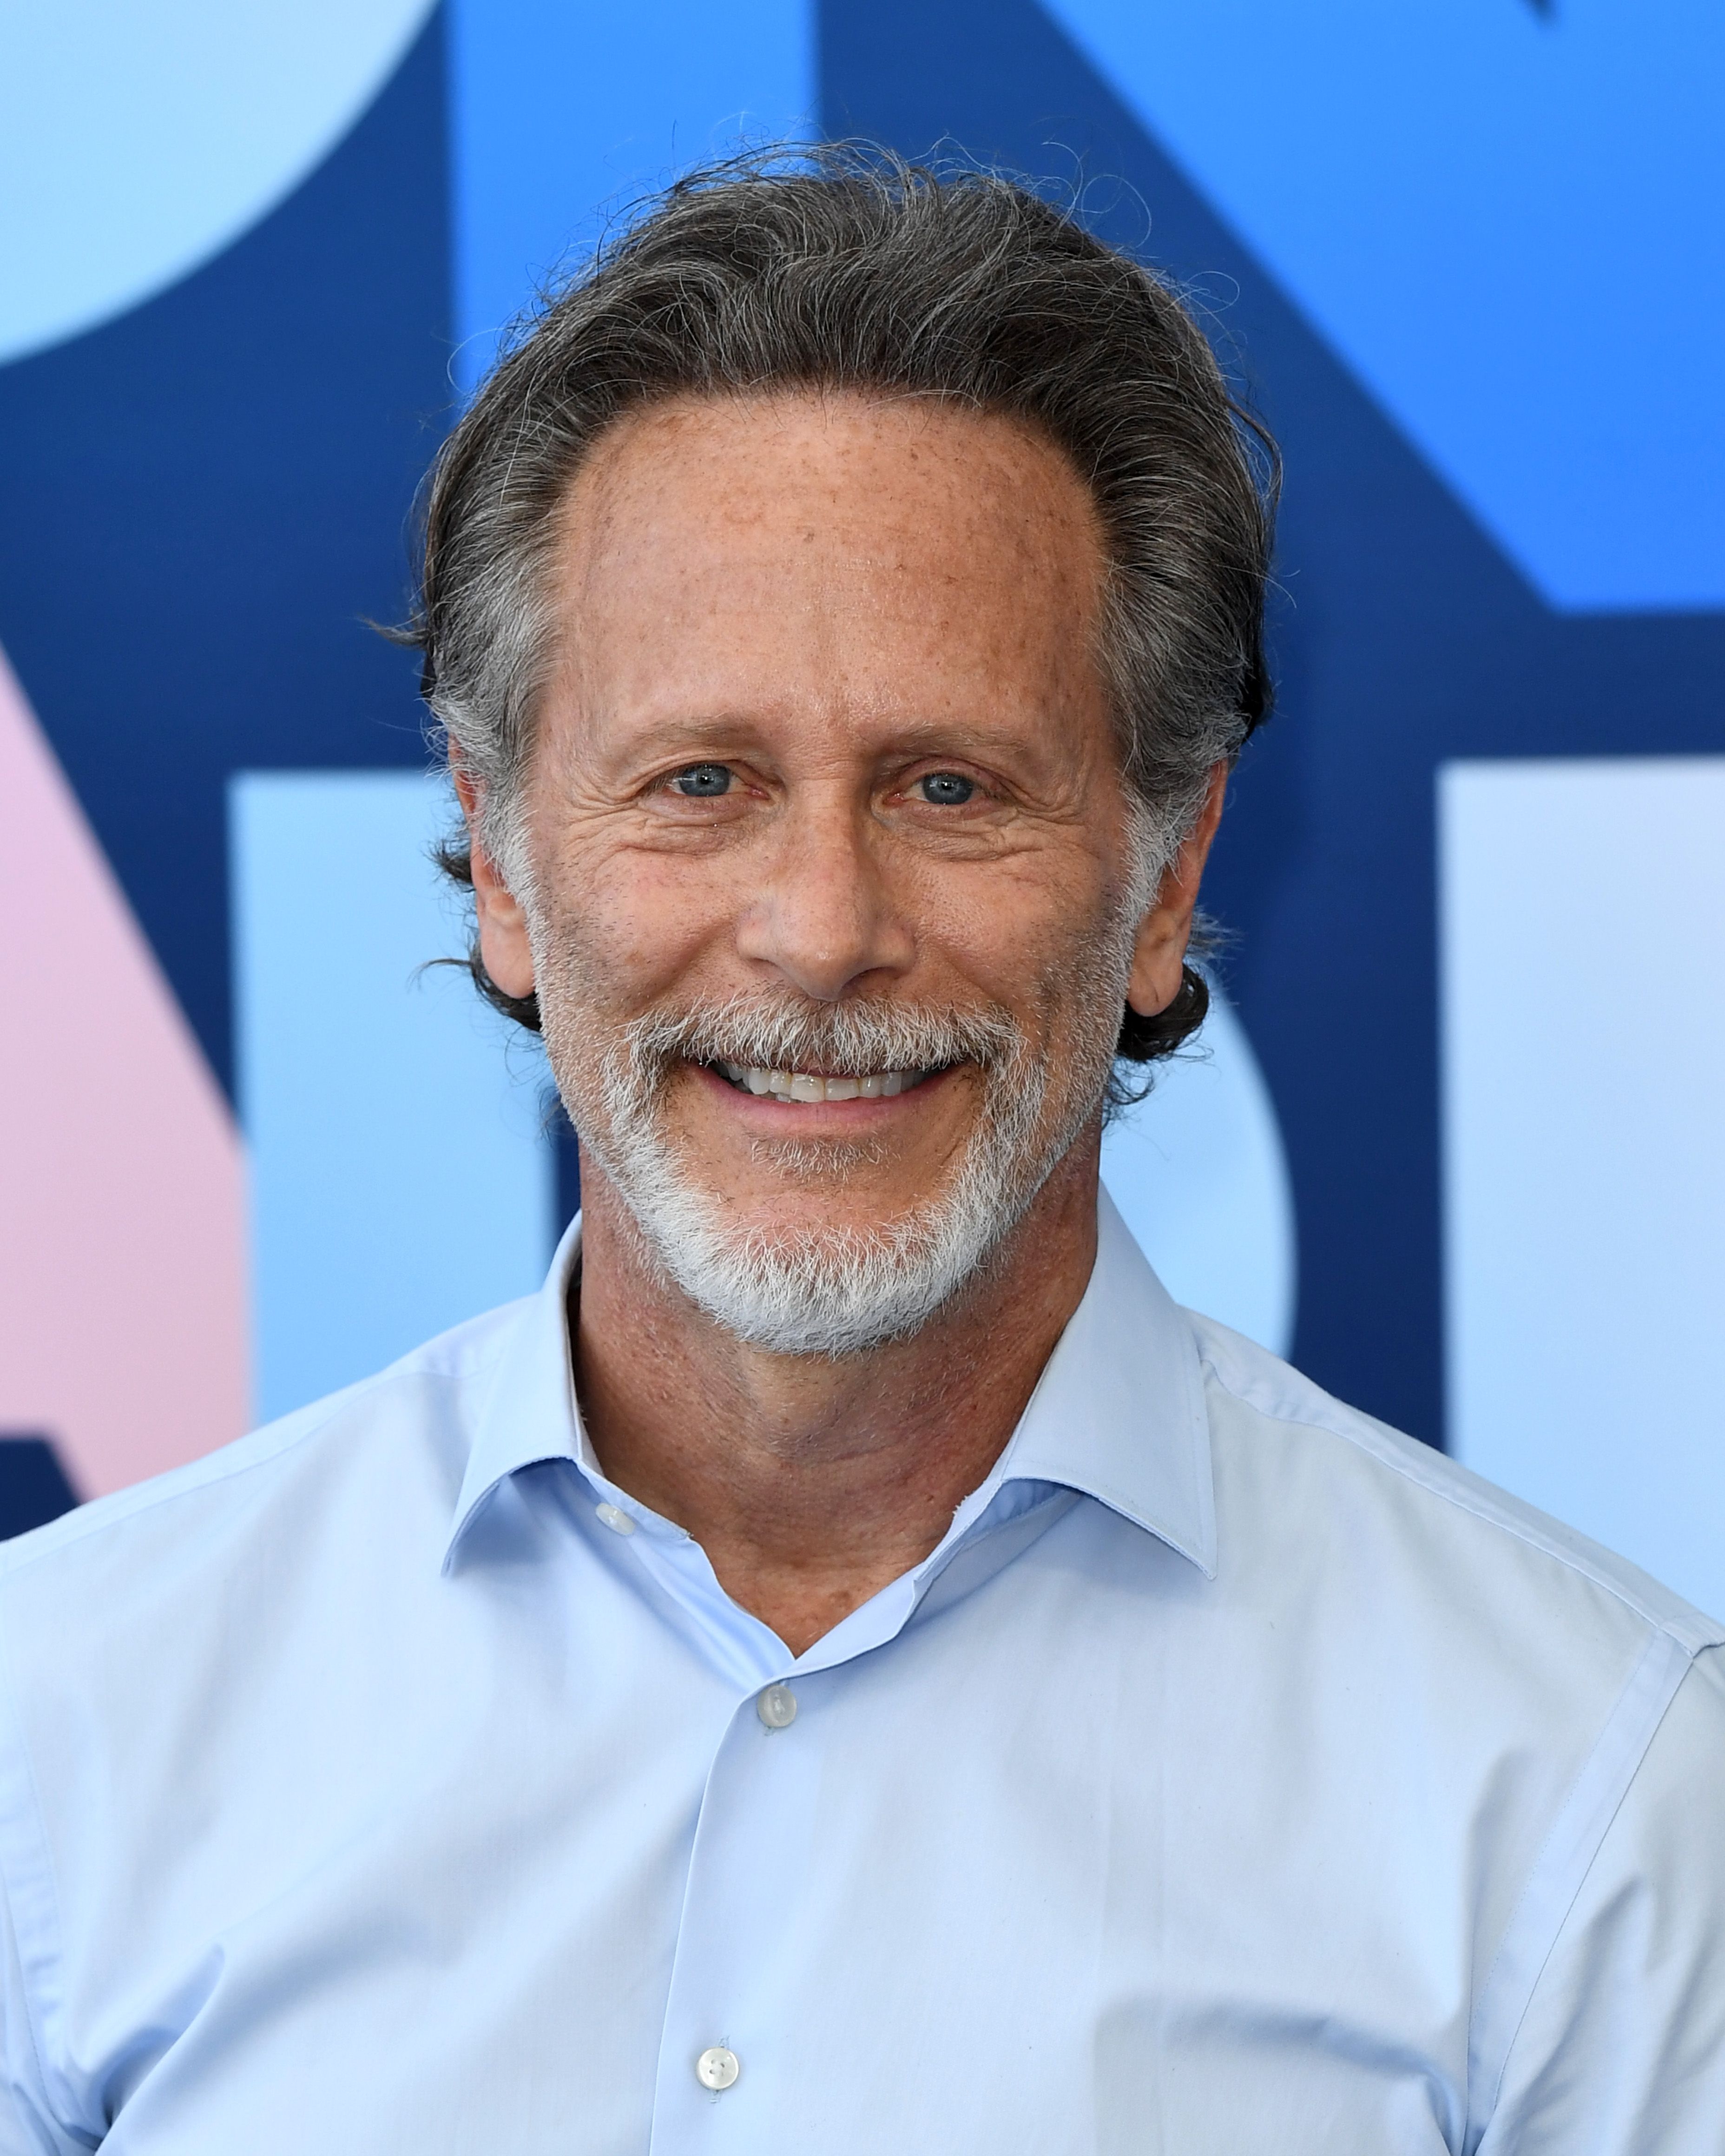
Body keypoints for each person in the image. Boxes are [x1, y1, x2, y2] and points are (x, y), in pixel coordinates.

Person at [1, 152, 1720, 2154]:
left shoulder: (1579, 1792)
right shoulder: (68, 1718)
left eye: (951, 786)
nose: (821, 931)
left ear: (1166, 877)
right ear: (500, 859)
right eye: (700, 780)